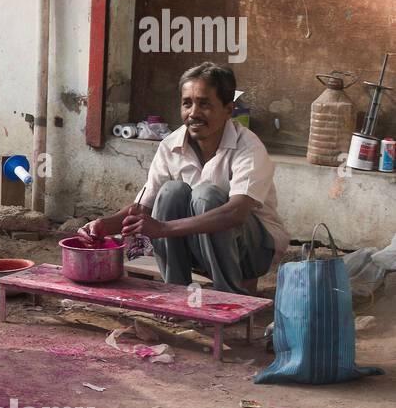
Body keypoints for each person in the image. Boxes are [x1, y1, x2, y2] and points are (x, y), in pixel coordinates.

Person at [82, 62, 288, 294]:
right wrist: (103, 225)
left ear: (228, 110)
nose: (193, 113)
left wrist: (163, 227)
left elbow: (236, 212)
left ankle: (229, 296)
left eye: (204, 104)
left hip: (253, 252)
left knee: (206, 195)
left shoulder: (248, 147)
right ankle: (176, 293)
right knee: (171, 192)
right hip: (197, 245)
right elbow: (143, 207)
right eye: (187, 103)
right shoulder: (170, 145)